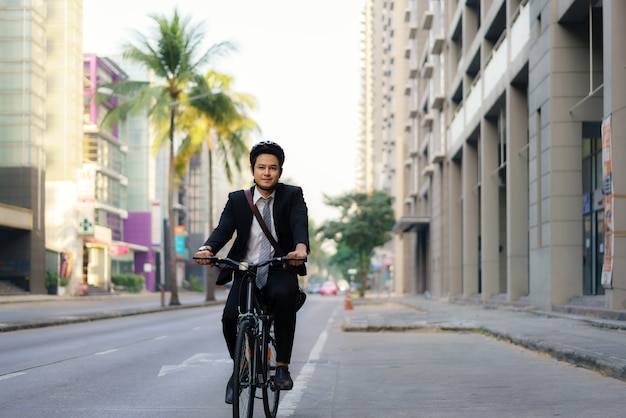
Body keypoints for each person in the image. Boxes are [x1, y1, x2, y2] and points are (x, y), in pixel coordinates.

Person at [194, 140, 309, 404]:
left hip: (279, 265)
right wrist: (207, 248)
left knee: (283, 298)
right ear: (252, 169)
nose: (267, 173)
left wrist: (300, 248)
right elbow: (224, 229)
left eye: (273, 168)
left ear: (280, 171)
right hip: (246, 269)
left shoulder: (292, 195)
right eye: (261, 167)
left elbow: (298, 222)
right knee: (230, 317)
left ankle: (281, 367)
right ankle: (241, 367)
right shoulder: (237, 200)